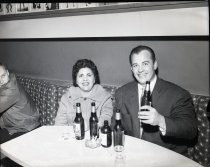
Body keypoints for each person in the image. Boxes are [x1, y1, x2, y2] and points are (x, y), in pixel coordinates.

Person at [112, 45, 197, 156]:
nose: (140, 69)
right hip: (131, 156)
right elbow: (114, 126)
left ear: (155, 65)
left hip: (166, 158)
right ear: (131, 69)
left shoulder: (178, 94)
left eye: (145, 64)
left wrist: (161, 120)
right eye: (135, 65)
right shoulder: (121, 93)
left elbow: (190, 130)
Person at [55, 59, 113, 130]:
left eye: (89, 75)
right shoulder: (66, 98)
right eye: (81, 76)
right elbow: (59, 125)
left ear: (94, 78)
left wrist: (89, 128)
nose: (85, 79)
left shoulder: (105, 97)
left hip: (96, 138)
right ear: (76, 80)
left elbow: (106, 119)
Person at [0, 63, 40, 144]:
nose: (1, 81)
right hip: (14, 126)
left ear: (7, 73)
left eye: (3, 75)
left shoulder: (11, 90)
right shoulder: (8, 82)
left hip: (27, 129)